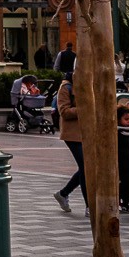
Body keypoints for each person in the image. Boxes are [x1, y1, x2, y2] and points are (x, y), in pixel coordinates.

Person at [53, 75, 84, 214]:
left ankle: (63, 193)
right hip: (73, 134)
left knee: (87, 167)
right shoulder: (66, 87)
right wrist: (85, 109)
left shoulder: (90, 83)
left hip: (89, 133)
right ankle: (89, 205)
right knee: (86, 167)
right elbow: (64, 111)